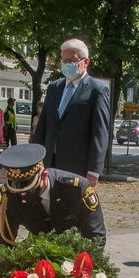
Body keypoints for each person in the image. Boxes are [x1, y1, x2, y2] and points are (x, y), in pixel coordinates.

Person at [0, 144, 106, 249]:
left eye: (29, 188)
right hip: (37, 251)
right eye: (17, 188)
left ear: (44, 176)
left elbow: (96, 239)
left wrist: (74, 266)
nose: (22, 194)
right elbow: (1, 244)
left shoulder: (76, 189)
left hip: (75, 252)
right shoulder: (10, 194)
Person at [30, 38, 110, 187]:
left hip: (78, 167)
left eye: (72, 60)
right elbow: (43, 127)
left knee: (72, 208)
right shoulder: (54, 88)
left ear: (86, 62)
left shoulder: (96, 91)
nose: (67, 64)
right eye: (64, 60)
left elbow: (100, 133)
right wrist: (35, 160)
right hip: (48, 164)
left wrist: (94, 170)